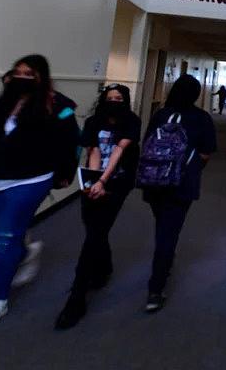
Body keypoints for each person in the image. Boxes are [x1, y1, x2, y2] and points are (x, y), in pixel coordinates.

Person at [0, 55, 79, 332]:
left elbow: (70, 141)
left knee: (6, 238)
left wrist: (65, 174)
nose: (22, 77)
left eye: (29, 73)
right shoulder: (1, 105)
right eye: (18, 72)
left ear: (41, 77)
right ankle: (27, 251)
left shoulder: (57, 106)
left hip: (32, 179)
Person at [55, 84, 141, 330]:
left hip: (117, 183)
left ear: (125, 101)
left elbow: (118, 151)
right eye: (110, 97)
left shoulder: (132, 121)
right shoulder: (94, 121)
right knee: (94, 228)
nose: (114, 101)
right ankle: (104, 267)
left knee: (94, 235)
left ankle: (77, 298)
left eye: (119, 98)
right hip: (93, 182)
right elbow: (93, 151)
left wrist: (104, 181)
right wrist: (94, 182)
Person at [140, 75, 217, 312]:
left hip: (153, 183)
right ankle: (155, 290)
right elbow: (206, 153)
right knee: (168, 233)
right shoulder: (202, 118)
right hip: (181, 185)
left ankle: (164, 261)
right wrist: (190, 168)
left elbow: (146, 144)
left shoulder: (161, 115)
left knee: (162, 223)